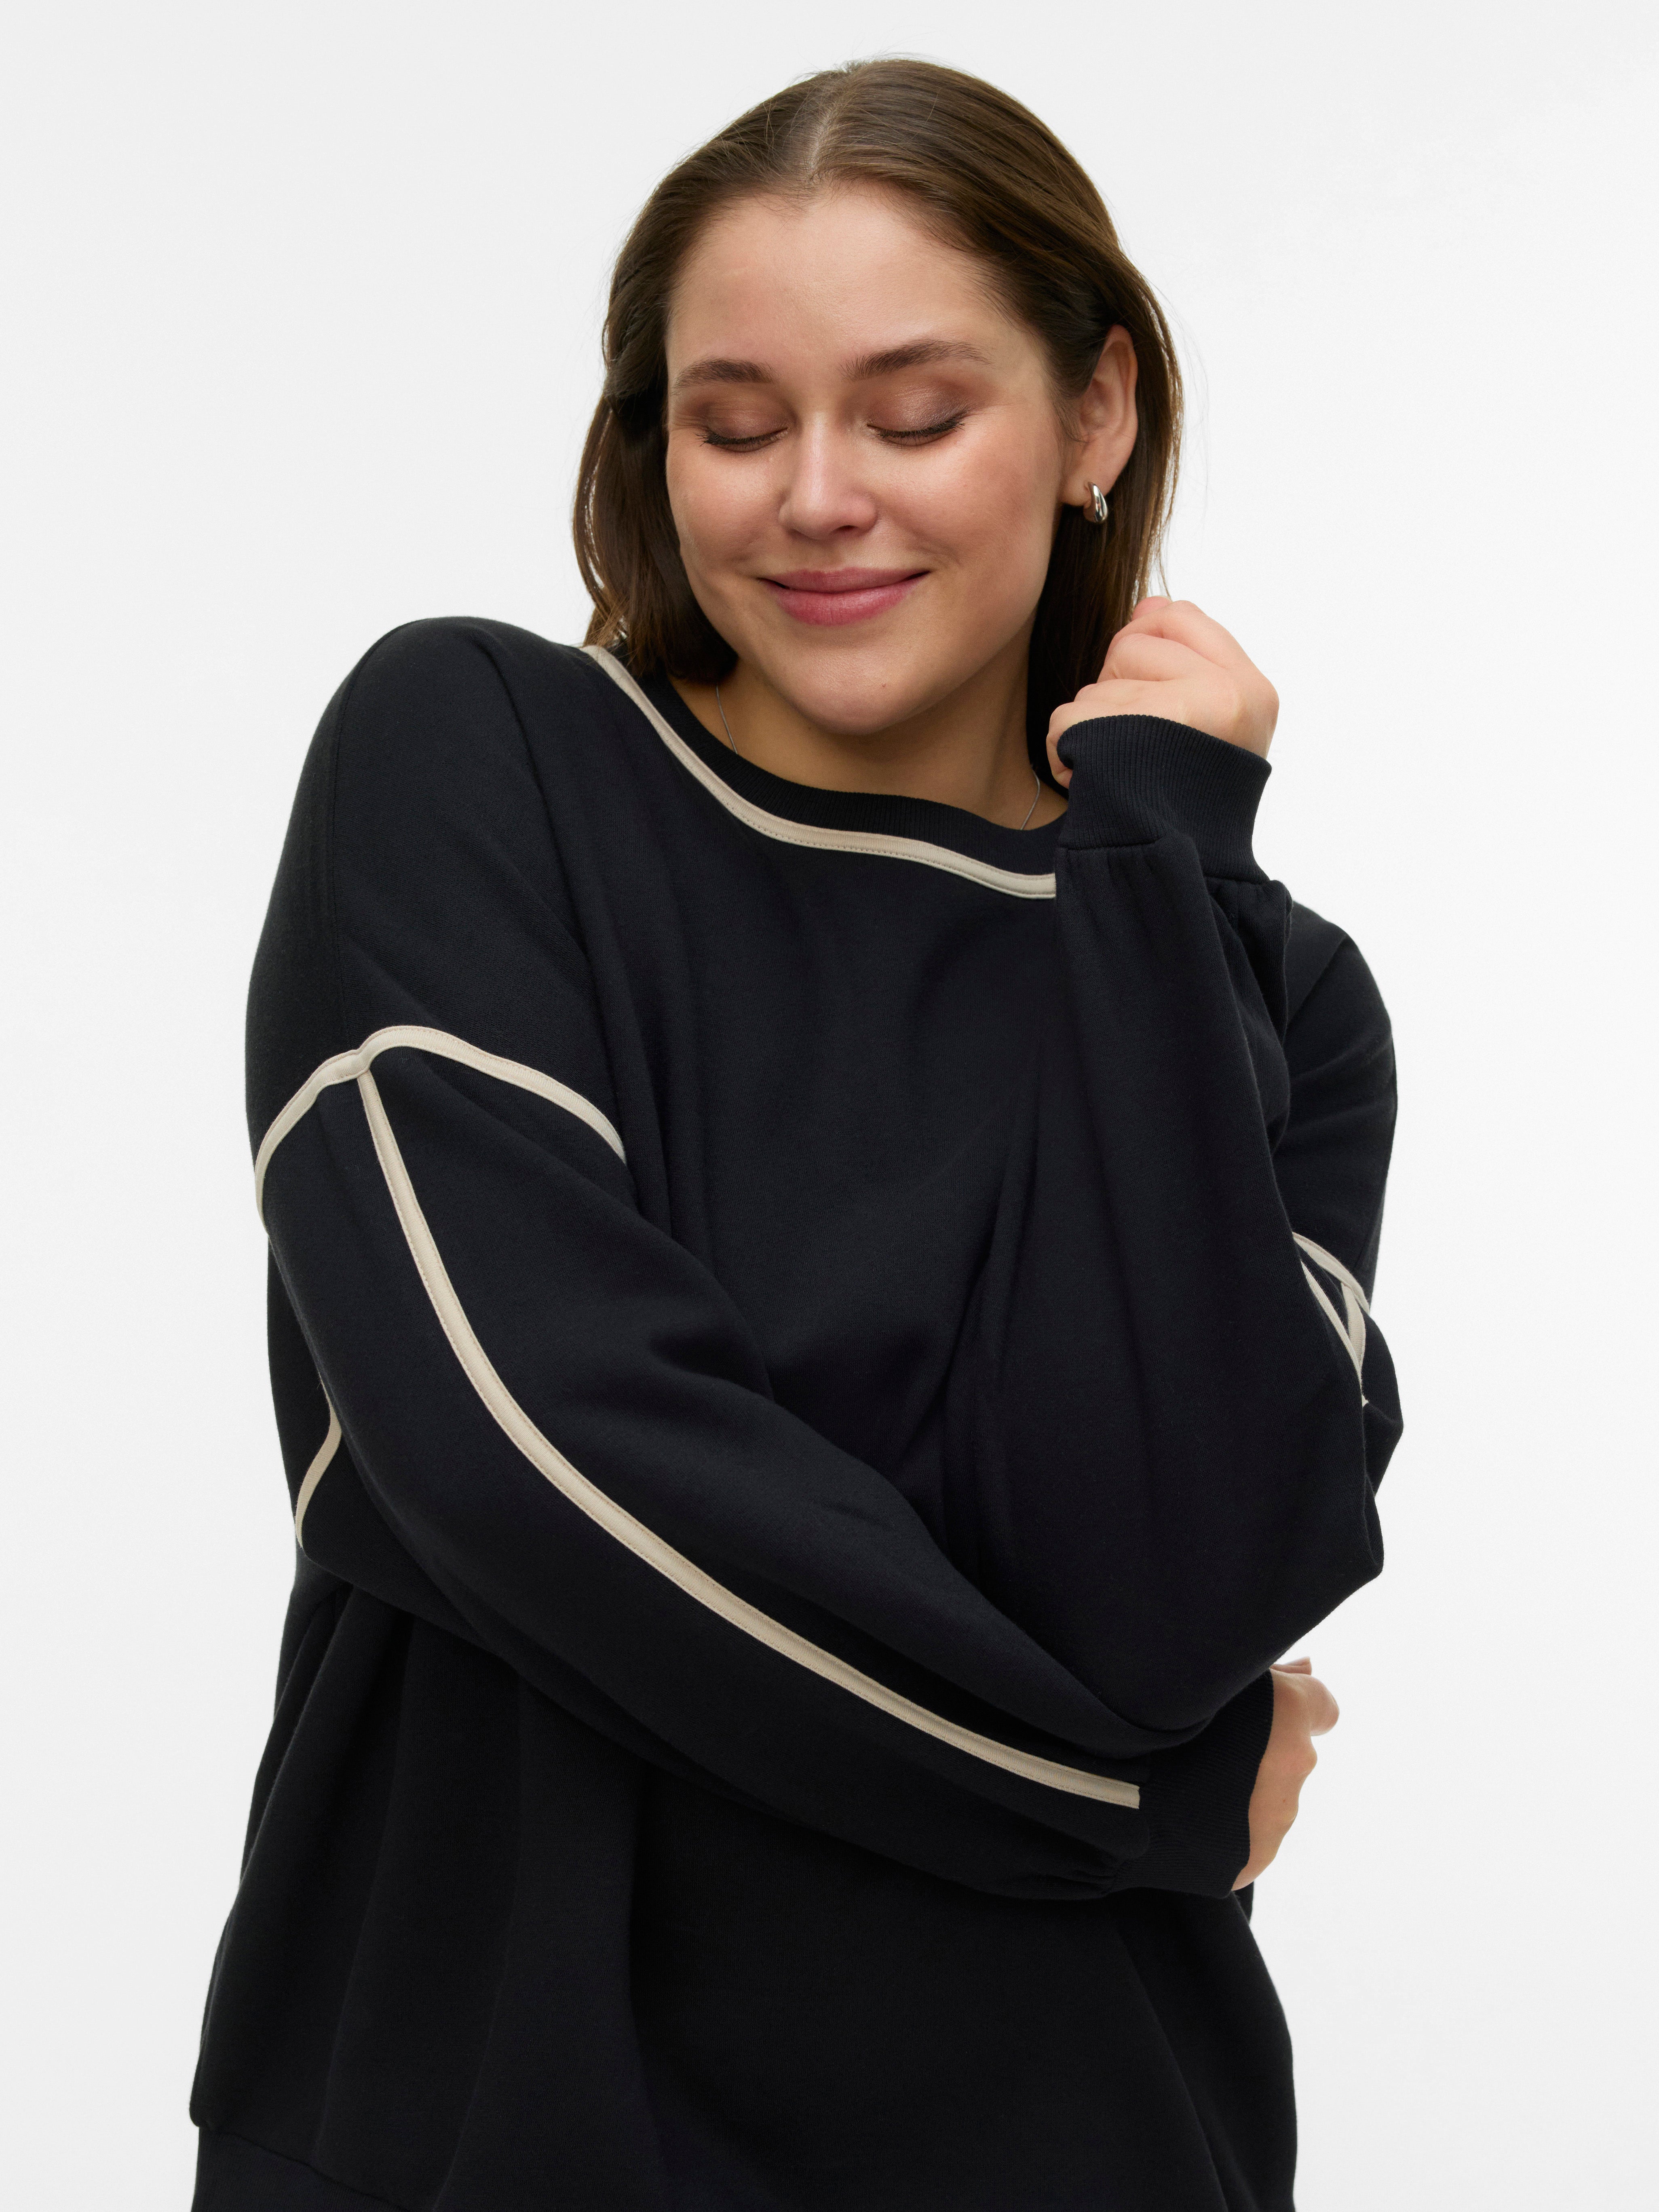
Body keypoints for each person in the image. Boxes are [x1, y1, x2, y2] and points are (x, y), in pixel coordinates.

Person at [190, 57, 1400, 2212]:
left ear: (1098, 415)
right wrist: (1138, 1802)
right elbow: (529, 1464)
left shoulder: (1269, 988)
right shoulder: (487, 762)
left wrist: (1157, 860)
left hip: (1090, 2136)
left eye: (914, 416)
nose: (818, 497)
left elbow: (1166, 1584)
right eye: (735, 427)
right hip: (491, 2131)